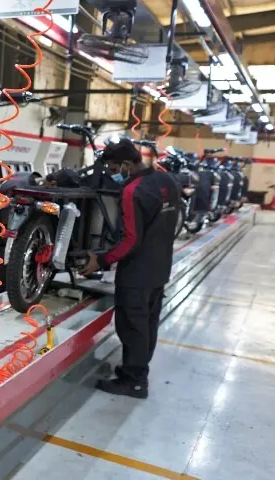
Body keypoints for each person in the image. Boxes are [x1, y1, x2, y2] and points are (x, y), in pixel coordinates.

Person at [80, 137, 180, 399]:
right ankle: (136, 371)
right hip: (160, 268)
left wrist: (100, 261)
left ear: (126, 164)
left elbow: (131, 240)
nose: (114, 174)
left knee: (131, 327)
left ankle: (134, 381)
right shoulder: (166, 180)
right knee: (147, 324)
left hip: (136, 273)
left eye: (114, 169)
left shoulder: (132, 190)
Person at [0, 171, 43, 296]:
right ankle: (3, 298)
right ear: (51, 183)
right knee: (2, 280)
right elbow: (9, 227)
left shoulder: (29, 179)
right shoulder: (19, 190)